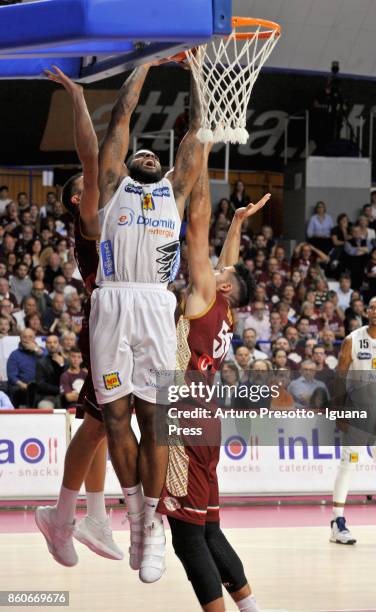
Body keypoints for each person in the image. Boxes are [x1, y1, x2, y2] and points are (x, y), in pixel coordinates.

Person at [89, 58, 206, 583]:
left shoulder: (173, 191)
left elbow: (197, 136)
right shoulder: (113, 183)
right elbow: (120, 117)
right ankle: (135, 515)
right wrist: (146, 61)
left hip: (157, 305)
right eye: (140, 151)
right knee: (116, 416)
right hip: (112, 303)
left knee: (153, 417)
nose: (147, 152)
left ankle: (154, 522)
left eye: (154, 152)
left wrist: (199, 74)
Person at [158, 146, 268, 612]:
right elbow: (227, 258)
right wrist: (239, 222)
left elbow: (198, 231)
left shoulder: (208, 294)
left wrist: (198, 160)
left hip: (184, 418)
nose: (212, 267)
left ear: (221, 285)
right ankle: (251, 607)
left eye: (218, 271)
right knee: (207, 528)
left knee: (187, 537)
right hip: (206, 418)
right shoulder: (220, 306)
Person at [35, 66, 122, 568]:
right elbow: (92, 158)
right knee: (101, 422)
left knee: (102, 423)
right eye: (91, 186)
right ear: (78, 198)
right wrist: (78, 98)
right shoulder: (91, 219)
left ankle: (93, 516)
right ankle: (73, 515)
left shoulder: (122, 218)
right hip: (106, 320)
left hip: (120, 319)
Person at [330, 297, 376, 545]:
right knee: (348, 463)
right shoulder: (353, 339)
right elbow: (339, 376)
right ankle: (337, 522)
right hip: (357, 410)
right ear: (365, 311)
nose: (374, 311)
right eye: (371, 307)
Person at [7, 328, 43, 406]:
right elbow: (12, 376)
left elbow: (48, 359)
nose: (27, 339)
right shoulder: (14, 355)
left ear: (34, 338)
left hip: (41, 386)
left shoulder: (42, 351)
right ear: (20, 339)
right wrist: (23, 385)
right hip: (22, 387)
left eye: (30, 337)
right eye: (24, 337)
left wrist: (36, 349)